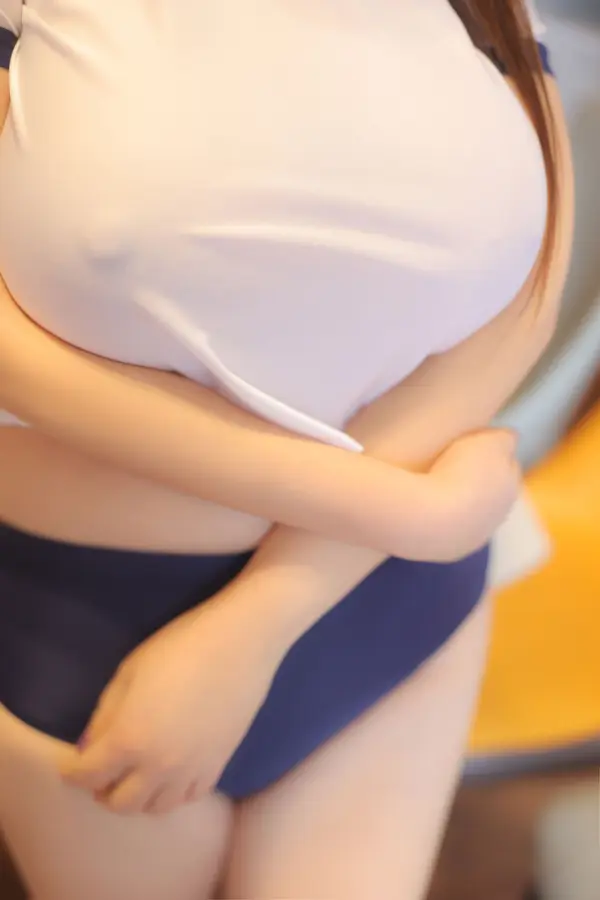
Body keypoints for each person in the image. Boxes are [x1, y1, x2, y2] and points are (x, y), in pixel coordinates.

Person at [0, 2, 573, 898]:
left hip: (384, 599)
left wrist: (260, 619)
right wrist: (406, 510)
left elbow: (525, 295)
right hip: (74, 614)